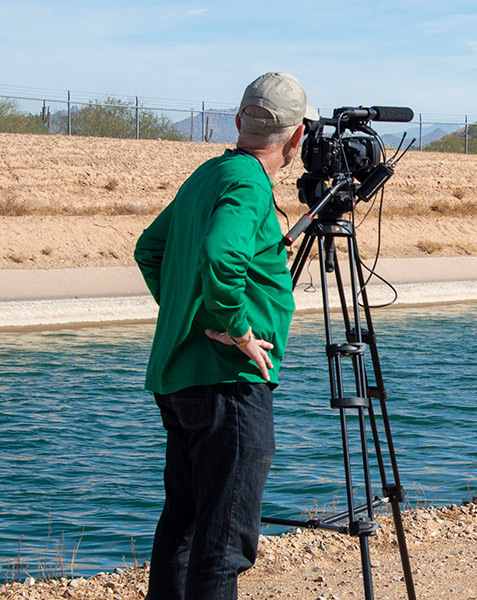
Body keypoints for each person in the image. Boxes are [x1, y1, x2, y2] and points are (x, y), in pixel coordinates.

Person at [134, 72, 316, 600]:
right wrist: (236, 328)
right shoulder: (246, 183)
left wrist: (186, 315)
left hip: (180, 378)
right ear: (298, 135)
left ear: (238, 121)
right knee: (223, 544)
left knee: (184, 527)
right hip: (228, 385)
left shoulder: (209, 174)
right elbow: (221, 254)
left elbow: (151, 249)